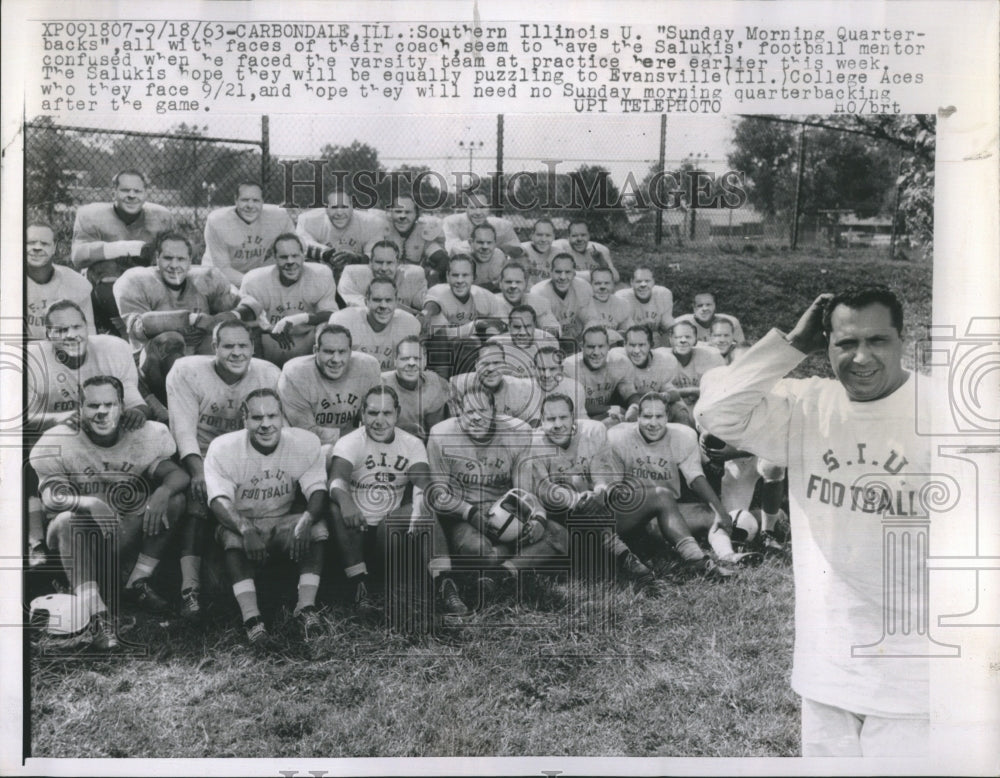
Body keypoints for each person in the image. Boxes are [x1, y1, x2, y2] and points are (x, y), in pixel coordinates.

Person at [695, 286, 930, 756]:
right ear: (825, 346)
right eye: (845, 343)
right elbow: (715, 413)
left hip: (914, 673)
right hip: (827, 663)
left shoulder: (943, 410)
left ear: (902, 340)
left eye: (877, 341)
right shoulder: (807, 405)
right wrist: (790, 345)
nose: (861, 357)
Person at [29, 376, 189, 650]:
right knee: (68, 519)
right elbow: (50, 497)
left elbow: (177, 475)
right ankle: (98, 616)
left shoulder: (145, 435)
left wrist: (162, 493)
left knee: (175, 500)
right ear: (80, 409)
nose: (102, 412)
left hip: (122, 533)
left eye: (109, 404)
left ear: (122, 406)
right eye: (93, 405)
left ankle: (136, 582)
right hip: (77, 541)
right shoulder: (60, 440)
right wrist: (87, 502)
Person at [166, 320, 282, 616]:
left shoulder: (268, 373)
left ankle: (265, 574)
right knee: (198, 499)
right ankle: (189, 587)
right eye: (228, 346)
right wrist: (196, 471)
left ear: (253, 348)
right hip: (203, 454)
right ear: (213, 347)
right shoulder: (187, 370)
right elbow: (184, 429)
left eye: (243, 345)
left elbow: (278, 429)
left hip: (248, 456)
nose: (236, 353)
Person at [329, 385, 469, 617]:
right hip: (356, 532)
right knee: (335, 506)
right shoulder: (351, 441)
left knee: (423, 507)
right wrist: (346, 503)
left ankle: (445, 583)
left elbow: (422, 482)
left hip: (389, 533)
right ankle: (359, 585)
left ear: (397, 413)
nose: (379, 420)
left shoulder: (411, 443)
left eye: (387, 413)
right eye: (373, 413)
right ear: (362, 414)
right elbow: (337, 479)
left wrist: (418, 509)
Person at [204, 388, 329, 647]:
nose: (265, 424)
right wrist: (245, 529)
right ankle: (252, 618)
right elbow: (219, 499)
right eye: (257, 417)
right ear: (244, 419)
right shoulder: (224, 447)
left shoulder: (303, 442)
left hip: (282, 520)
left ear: (282, 416)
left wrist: (305, 521)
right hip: (242, 520)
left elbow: (317, 488)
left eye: (272, 416)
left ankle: (306, 607)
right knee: (233, 540)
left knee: (317, 528)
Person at [426, 390, 568, 597]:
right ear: (458, 412)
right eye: (469, 412)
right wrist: (471, 514)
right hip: (465, 514)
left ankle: (502, 573)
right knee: (478, 551)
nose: (476, 417)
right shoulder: (441, 435)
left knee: (559, 535)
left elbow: (524, 491)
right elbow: (439, 495)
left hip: (509, 509)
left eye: (482, 410)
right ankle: (516, 562)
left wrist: (538, 519)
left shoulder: (517, 432)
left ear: (494, 410)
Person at [591, 392, 735, 579]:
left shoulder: (683, 435)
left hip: (667, 514)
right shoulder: (619, 436)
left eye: (659, 416)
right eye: (647, 416)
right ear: (638, 417)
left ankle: (728, 555)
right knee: (660, 495)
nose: (653, 423)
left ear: (667, 416)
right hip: (631, 512)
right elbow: (614, 490)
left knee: (710, 514)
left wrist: (721, 511)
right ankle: (695, 560)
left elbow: (695, 478)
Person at [114, 231, 259, 417]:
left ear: (190, 260)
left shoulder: (206, 278)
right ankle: (177, 410)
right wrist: (191, 319)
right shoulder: (136, 280)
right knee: (170, 339)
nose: (174, 265)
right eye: (168, 258)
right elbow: (137, 327)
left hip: (199, 355)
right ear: (157, 258)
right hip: (153, 366)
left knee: (223, 337)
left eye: (181, 259)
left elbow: (251, 304)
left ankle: (224, 406)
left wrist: (224, 317)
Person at [527, 393, 653, 585]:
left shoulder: (593, 431)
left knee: (589, 485)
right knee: (576, 481)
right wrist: (577, 499)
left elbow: (601, 473)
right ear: (542, 420)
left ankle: (614, 551)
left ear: (573, 417)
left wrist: (599, 491)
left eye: (563, 417)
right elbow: (544, 489)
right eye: (551, 419)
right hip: (560, 516)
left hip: (596, 506)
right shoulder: (534, 443)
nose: (557, 424)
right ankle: (622, 553)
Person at [71, 169, 176, 335]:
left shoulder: (161, 217)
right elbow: (78, 256)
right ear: (114, 193)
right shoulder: (92, 215)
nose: (132, 195)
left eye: (137, 191)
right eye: (125, 190)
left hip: (146, 284)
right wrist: (126, 248)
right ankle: (126, 334)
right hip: (106, 285)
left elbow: (176, 254)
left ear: (145, 194)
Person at [27, 300, 149, 432]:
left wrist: (136, 414)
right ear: (48, 335)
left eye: (77, 327)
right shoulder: (31, 360)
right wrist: (56, 419)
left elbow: (136, 404)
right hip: (56, 437)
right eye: (61, 330)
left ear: (87, 328)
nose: (71, 335)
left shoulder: (113, 349)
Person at [275, 323, 381, 461]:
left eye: (342, 352)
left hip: (355, 444)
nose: (336, 360)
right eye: (329, 352)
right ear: (315, 350)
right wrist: (365, 433)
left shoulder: (368, 367)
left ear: (350, 352)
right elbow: (306, 434)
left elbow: (376, 418)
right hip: (307, 451)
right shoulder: (296, 374)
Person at [239, 233, 339, 366]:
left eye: (295, 256)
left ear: (303, 255)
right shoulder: (254, 280)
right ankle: (257, 371)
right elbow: (244, 320)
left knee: (327, 327)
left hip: (307, 341)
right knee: (245, 333)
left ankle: (318, 371)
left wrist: (297, 319)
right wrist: (269, 328)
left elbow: (332, 314)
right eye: (284, 257)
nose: (290, 262)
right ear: (274, 258)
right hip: (270, 342)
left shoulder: (320, 275)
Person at [201, 182, 295, 285]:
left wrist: (264, 272)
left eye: (256, 200)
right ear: (236, 200)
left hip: (253, 275)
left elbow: (293, 249)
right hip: (217, 277)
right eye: (244, 200)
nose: (250, 205)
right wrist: (255, 283)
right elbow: (223, 269)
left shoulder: (279, 216)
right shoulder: (218, 221)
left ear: (262, 202)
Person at [328, 279, 420, 370]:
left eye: (388, 300)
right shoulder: (344, 320)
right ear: (366, 302)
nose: (383, 306)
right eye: (377, 300)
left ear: (396, 302)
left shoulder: (409, 324)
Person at [25, 222, 95, 341]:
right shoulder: (8, 279)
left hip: (63, 351)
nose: (37, 247)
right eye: (30, 243)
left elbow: (89, 335)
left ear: (54, 248)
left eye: (44, 243)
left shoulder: (76, 282)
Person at [295, 188, 389, 272]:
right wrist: (327, 254)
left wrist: (356, 259)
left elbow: (376, 256)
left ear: (352, 206)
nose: (339, 213)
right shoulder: (308, 220)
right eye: (334, 207)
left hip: (357, 276)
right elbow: (300, 244)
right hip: (322, 276)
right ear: (326, 208)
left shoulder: (371, 223)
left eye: (344, 207)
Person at [379, 336, 451, 443]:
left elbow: (435, 433)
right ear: (395, 361)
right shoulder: (380, 383)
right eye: (405, 358)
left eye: (417, 359)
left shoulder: (435, 383)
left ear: (425, 361)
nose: (412, 363)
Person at [449, 341, 537, 424]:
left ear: (505, 365)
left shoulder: (520, 389)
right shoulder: (458, 385)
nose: (491, 369)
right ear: (476, 365)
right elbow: (455, 425)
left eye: (496, 363)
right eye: (485, 364)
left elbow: (528, 427)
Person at [561, 325, 632, 425]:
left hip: (605, 414)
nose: (596, 352)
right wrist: (611, 408)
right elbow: (574, 406)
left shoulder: (619, 362)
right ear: (582, 347)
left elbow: (629, 394)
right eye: (591, 347)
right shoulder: (570, 366)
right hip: (579, 419)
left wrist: (635, 407)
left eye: (601, 346)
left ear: (608, 346)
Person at [608, 324, 680, 419]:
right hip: (625, 407)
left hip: (654, 406)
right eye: (632, 345)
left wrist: (665, 396)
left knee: (679, 409)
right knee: (629, 413)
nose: (636, 350)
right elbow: (628, 395)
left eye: (641, 345)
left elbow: (674, 392)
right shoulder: (618, 358)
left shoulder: (663, 360)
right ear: (624, 345)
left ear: (651, 345)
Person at [337, 240, 427, 314]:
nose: (384, 268)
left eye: (389, 263)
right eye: (379, 262)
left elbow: (427, 300)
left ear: (398, 264)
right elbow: (356, 304)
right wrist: (410, 311)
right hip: (364, 327)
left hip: (400, 327)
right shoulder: (352, 273)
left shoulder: (412, 275)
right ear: (370, 263)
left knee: (436, 319)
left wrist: (428, 312)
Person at [380, 194, 449, 284]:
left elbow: (442, 260)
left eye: (408, 212)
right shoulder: (381, 227)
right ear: (390, 213)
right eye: (398, 211)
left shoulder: (423, 231)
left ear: (416, 214)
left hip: (413, 283)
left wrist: (433, 276)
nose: (402, 216)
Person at [530, 253, 593, 346]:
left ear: (574, 273)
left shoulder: (583, 287)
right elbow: (546, 325)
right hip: (550, 342)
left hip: (580, 340)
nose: (563, 277)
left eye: (567, 272)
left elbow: (590, 319)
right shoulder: (539, 292)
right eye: (558, 272)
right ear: (550, 272)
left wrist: (586, 339)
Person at [661, 320, 725, 408]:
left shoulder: (710, 356)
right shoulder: (661, 357)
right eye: (677, 337)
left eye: (688, 337)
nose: (683, 340)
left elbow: (720, 389)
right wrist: (692, 391)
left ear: (695, 339)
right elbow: (659, 395)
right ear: (670, 339)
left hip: (703, 406)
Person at [486, 305, 560, 379]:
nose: (522, 333)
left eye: (527, 326)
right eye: (517, 327)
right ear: (509, 327)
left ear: (534, 326)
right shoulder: (494, 345)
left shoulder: (549, 341)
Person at [492, 262, 561, 337]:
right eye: (508, 282)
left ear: (525, 284)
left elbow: (554, 331)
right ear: (500, 284)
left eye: (518, 282)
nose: (513, 286)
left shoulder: (538, 302)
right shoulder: (491, 303)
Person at [614, 266, 674, 346]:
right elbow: (626, 329)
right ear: (632, 282)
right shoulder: (622, 297)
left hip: (655, 339)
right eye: (638, 281)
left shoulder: (663, 294)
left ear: (653, 282)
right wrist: (644, 326)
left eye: (647, 281)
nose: (643, 285)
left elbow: (668, 324)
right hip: (631, 341)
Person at [551, 220, 620, 284]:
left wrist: (602, 263)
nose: (579, 239)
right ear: (568, 237)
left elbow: (616, 278)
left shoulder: (599, 251)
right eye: (574, 236)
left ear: (589, 236)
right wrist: (601, 275)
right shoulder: (562, 252)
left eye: (583, 235)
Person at [576, 267, 631, 346]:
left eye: (607, 283)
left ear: (613, 285)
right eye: (598, 283)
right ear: (590, 284)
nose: (602, 287)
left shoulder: (621, 303)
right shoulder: (583, 304)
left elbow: (629, 332)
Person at [441, 201, 520, 256]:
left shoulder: (502, 225)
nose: (478, 212)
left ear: (489, 208)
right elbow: (453, 249)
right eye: (473, 208)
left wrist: (506, 249)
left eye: (482, 207)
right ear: (466, 209)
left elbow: (519, 250)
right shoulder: (452, 222)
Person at [674, 292, 746, 345]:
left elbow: (741, 348)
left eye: (708, 305)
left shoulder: (730, 322)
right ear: (694, 308)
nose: (704, 308)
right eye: (700, 305)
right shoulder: (680, 323)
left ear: (714, 306)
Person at [518, 218, 558, 287]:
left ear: (553, 237)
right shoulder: (522, 251)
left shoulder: (558, 254)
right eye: (539, 235)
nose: (543, 239)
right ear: (532, 235)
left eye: (548, 235)